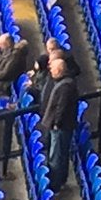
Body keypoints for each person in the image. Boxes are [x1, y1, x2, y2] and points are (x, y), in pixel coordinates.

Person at [40, 57, 78, 190]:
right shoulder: (63, 82)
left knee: (56, 156)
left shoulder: (66, 86)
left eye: (53, 69)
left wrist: (56, 123)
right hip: (59, 126)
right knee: (57, 154)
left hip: (60, 127)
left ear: (60, 70)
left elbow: (61, 107)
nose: (50, 71)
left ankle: (55, 185)